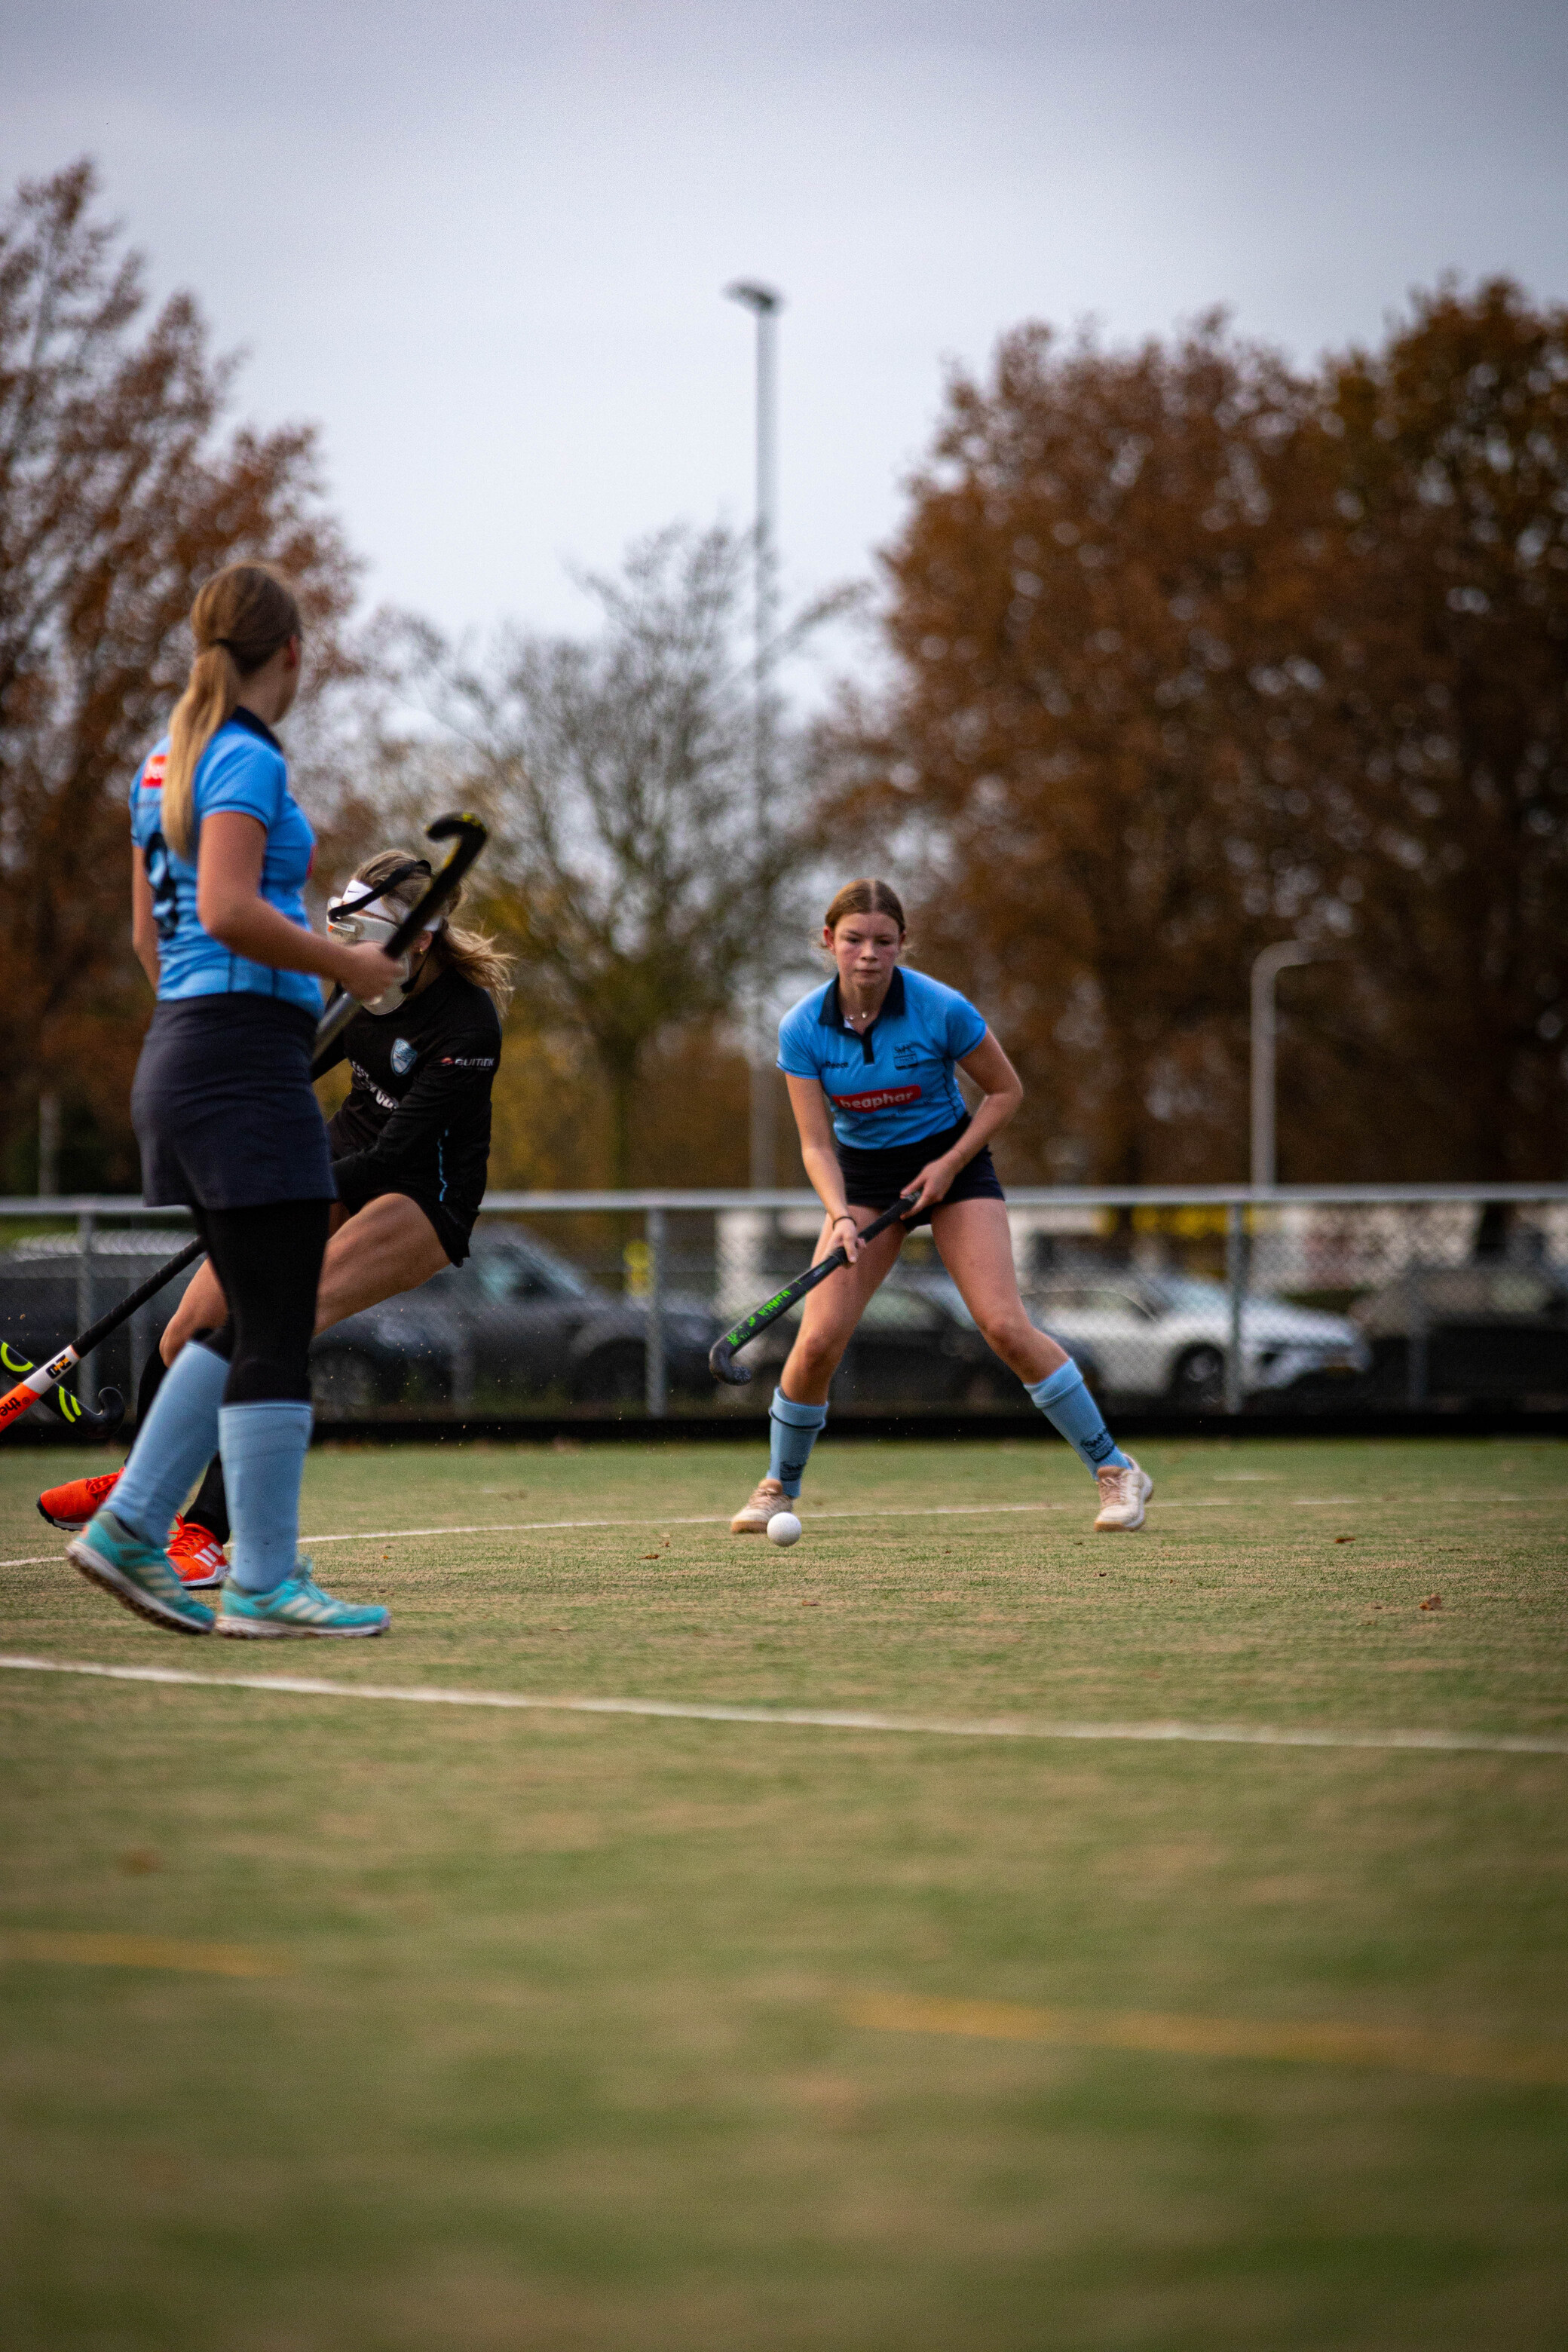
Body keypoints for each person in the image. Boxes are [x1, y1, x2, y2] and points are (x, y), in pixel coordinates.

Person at [64, 562, 400, 1637]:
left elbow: (149, 940)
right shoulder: (246, 759)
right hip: (238, 1068)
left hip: (185, 1055)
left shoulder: (165, 762)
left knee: (254, 1308)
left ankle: (132, 1526)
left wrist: (214, 1022)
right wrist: (341, 972)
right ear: (290, 655)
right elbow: (226, 907)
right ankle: (260, 1581)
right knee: (279, 1321)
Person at [40, 850, 511, 1577]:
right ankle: (142, 1486)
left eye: (370, 937)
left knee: (272, 1323)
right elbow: (286, 1068)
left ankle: (207, 1534)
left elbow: (391, 1159)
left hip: (421, 1195)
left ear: (420, 940)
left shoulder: (467, 1025)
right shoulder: (354, 988)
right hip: (333, 1162)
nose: (353, 954)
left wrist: (278, 1194)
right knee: (189, 1329)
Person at [729, 879, 1152, 1536]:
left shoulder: (941, 1008)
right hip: (865, 1185)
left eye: (883, 941)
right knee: (815, 1343)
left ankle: (1116, 1471)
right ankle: (778, 1487)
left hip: (953, 1170)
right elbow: (815, 1144)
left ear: (903, 944)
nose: (868, 954)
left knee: (1005, 1328)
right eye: (853, 940)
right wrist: (840, 1215)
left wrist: (948, 1164)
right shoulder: (802, 1028)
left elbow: (1006, 1092)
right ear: (827, 941)